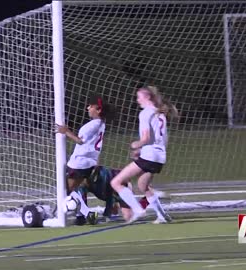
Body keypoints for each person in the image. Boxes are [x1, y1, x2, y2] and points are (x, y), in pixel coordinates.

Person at [110, 86, 178, 224]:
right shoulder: (160, 114)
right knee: (143, 186)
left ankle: (138, 210)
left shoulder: (145, 113)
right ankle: (162, 216)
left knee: (116, 182)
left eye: (139, 97)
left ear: (147, 97)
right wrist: (142, 150)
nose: (137, 100)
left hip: (150, 156)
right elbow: (161, 139)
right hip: (159, 157)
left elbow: (146, 138)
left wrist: (137, 144)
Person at [56, 95, 114, 224]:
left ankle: (86, 214)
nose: (88, 108)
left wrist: (65, 131)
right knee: (75, 189)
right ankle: (82, 215)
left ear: (98, 110)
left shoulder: (92, 125)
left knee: (66, 190)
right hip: (90, 163)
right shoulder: (102, 124)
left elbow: (80, 141)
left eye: (91, 106)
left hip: (79, 163)